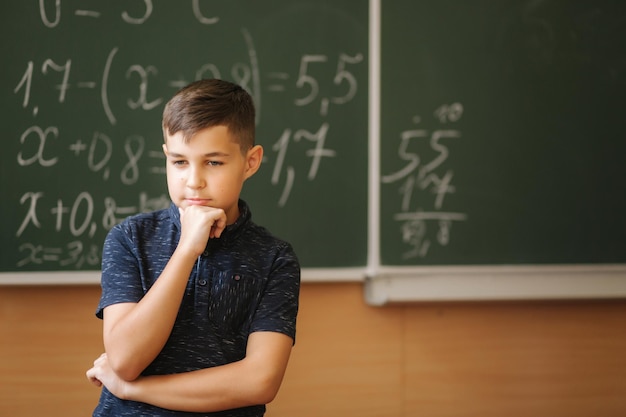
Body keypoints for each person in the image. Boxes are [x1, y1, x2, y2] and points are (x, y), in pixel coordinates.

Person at [86, 78, 300, 416]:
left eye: (213, 162)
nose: (194, 180)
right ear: (166, 157)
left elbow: (260, 381)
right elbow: (125, 359)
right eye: (180, 162)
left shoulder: (274, 258)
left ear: (251, 161)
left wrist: (132, 388)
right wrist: (186, 249)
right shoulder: (130, 238)